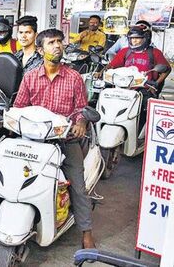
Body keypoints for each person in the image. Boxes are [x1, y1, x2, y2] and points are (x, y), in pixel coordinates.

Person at [14, 29, 96, 249]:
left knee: (78, 187)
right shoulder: (30, 77)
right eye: (51, 43)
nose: (57, 46)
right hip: (35, 142)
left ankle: (86, 232)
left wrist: (81, 122)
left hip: (65, 141)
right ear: (40, 50)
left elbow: (81, 108)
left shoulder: (74, 78)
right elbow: (19, 107)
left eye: (60, 42)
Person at [97, 25, 171, 128]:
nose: (134, 41)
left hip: (143, 87)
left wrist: (156, 83)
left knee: (144, 110)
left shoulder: (155, 52)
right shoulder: (125, 51)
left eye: (137, 38)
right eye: (131, 39)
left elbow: (166, 69)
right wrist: (101, 72)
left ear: (145, 39)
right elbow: (112, 65)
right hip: (123, 86)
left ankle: (142, 132)